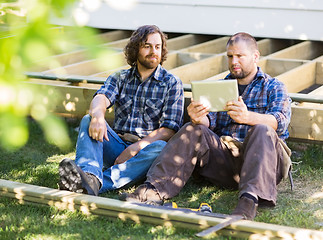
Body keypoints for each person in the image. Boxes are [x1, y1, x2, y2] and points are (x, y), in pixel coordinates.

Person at [120, 32, 292, 220]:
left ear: (255, 56)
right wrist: (197, 117)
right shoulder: (221, 86)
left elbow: (280, 121)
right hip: (227, 162)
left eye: (240, 56)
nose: (234, 61)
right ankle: (152, 190)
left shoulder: (274, 86)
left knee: (262, 129)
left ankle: (248, 201)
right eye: (230, 56)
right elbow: (209, 122)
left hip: (263, 165)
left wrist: (248, 116)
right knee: (191, 129)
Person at [58, 25, 184, 196]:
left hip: (144, 153)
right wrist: (97, 116)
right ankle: (89, 174)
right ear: (135, 49)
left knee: (161, 147)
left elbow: (169, 130)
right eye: (147, 46)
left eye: (157, 46)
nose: (153, 51)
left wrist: (135, 148)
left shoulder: (172, 83)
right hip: (116, 146)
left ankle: (94, 183)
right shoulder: (120, 78)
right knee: (89, 120)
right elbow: (101, 97)